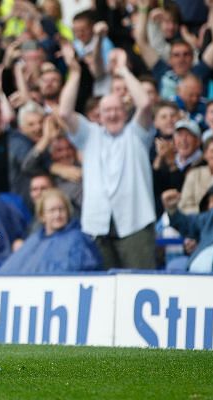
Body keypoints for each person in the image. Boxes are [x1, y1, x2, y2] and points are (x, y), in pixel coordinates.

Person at [58, 44, 156, 269]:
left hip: (135, 222)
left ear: (125, 111)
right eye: (106, 111)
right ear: (98, 116)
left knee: (136, 284)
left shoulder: (137, 133)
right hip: (97, 224)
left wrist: (123, 71)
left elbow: (145, 103)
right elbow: (64, 112)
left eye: (117, 109)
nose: (112, 114)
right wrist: (74, 73)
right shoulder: (89, 135)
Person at [0, 188, 101, 274]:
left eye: (61, 209)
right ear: (42, 216)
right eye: (52, 210)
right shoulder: (34, 240)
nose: (58, 215)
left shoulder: (79, 239)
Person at [179, 135, 213, 214]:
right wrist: (205, 212)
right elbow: (184, 205)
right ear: (205, 155)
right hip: (197, 220)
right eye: (212, 151)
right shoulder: (194, 175)